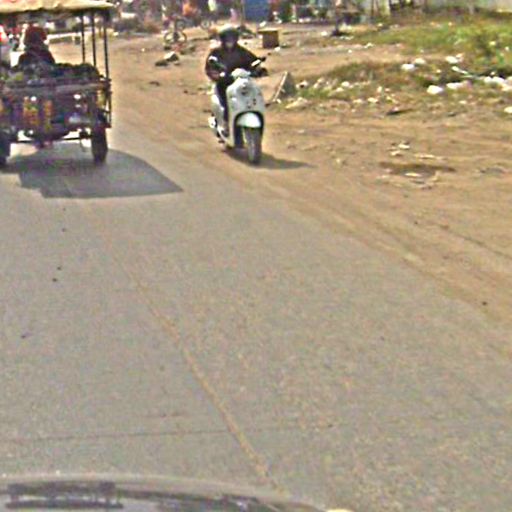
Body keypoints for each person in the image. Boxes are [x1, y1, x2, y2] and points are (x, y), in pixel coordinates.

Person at [205, 25, 260, 130]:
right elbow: (210, 67)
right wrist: (216, 75)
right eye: (227, 38)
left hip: (241, 81)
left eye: (232, 38)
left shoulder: (242, 51)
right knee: (226, 101)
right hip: (224, 82)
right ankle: (225, 122)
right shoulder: (216, 52)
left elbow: (253, 61)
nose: (230, 41)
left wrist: (258, 69)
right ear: (222, 39)